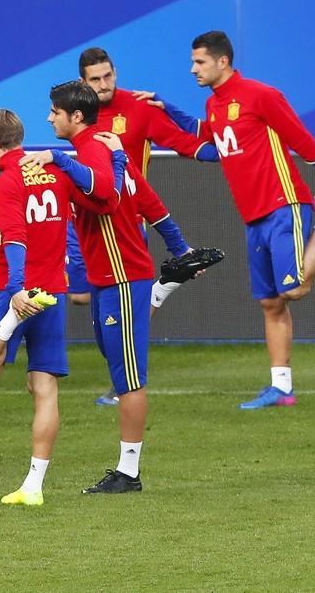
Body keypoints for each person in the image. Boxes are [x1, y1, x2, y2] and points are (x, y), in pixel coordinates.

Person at [189, 30, 315, 409]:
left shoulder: (262, 95)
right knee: (270, 303)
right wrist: (166, 111)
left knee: (294, 288)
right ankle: (281, 388)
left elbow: (302, 140)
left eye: (199, 62)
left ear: (222, 61)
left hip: (285, 204)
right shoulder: (214, 107)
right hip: (252, 217)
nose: (193, 69)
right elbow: (220, 147)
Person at [23, 81, 161, 494]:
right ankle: (127, 470)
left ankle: (130, 473)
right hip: (107, 276)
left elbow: (107, 193)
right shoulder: (95, 148)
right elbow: (130, 195)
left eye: (54, 111)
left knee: (128, 377)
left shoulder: (93, 149)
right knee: (115, 361)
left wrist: (60, 160)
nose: (49, 118)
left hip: (123, 274)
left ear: (75, 116)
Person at [76, 47, 225, 406]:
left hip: (129, 223)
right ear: (84, 81)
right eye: (95, 79)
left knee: (120, 317)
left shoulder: (137, 108)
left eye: (108, 76)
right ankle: (162, 290)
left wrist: (234, 150)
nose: (103, 84)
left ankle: (124, 383)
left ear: (115, 72)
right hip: (89, 225)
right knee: (82, 300)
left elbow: (185, 143)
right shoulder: (79, 115)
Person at [0, 109, 75, 506]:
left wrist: (15, 293)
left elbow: (14, 238)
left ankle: (10, 321)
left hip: (16, 293)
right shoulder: (57, 173)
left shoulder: (6, 181)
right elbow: (71, 226)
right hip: (53, 293)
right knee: (43, 388)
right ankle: (34, 487)